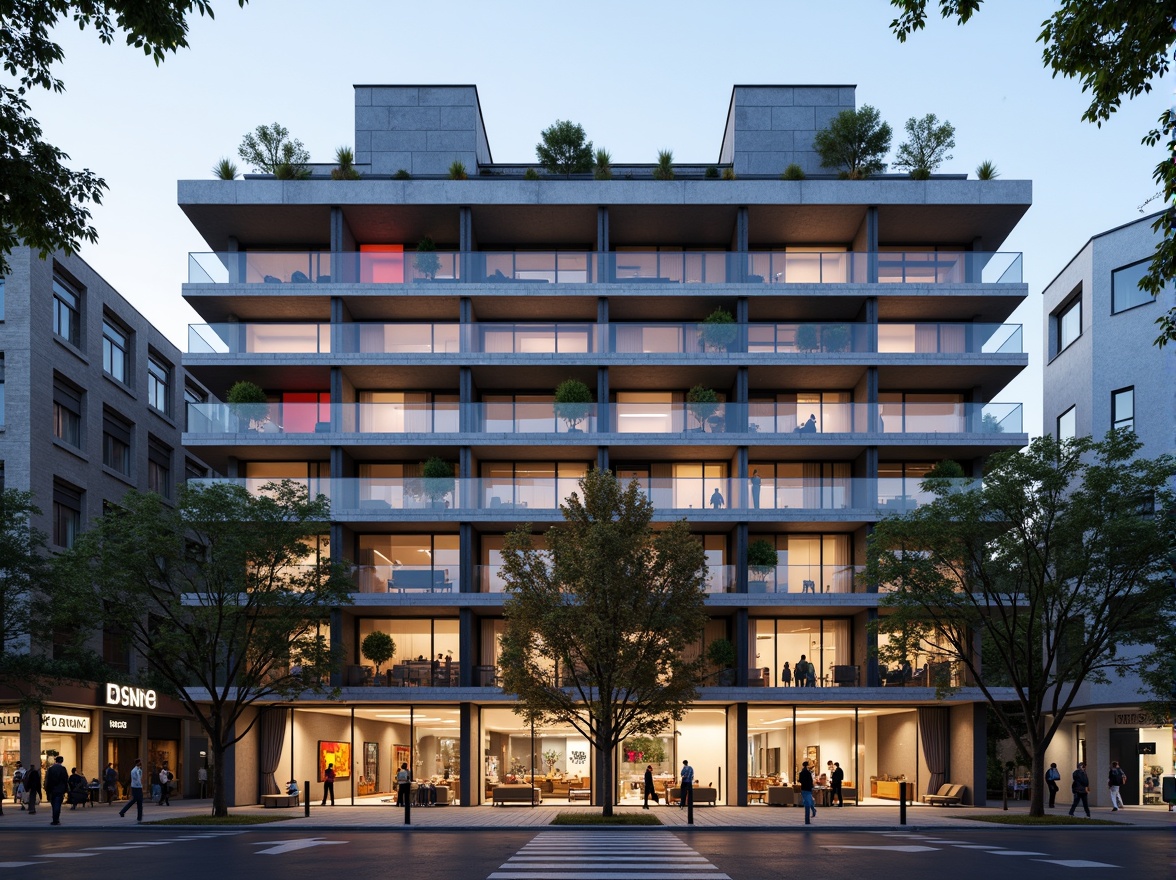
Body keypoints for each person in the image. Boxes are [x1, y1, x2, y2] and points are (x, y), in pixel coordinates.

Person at [45, 755, 69, 825]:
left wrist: (47, 789)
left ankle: (54, 818)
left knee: (53, 804)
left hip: (52, 789)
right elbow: (65, 779)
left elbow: (47, 780)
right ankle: (56, 819)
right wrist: (66, 789)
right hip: (60, 789)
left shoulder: (50, 769)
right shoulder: (63, 769)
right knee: (58, 804)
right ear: (62, 761)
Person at [119, 758, 144, 822]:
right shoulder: (134, 771)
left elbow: (140, 778)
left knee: (139, 802)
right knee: (135, 801)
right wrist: (140, 785)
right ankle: (123, 811)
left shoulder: (139, 770)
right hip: (136, 787)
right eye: (140, 762)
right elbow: (137, 779)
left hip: (138, 787)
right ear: (137, 763)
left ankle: (139, 817)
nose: (141, 763)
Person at [799, 760, 817, 824]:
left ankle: (807, 820)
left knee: (807, 802)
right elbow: (811, 781)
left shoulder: (801, 773)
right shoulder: (808, 773)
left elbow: (800, 780)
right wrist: (811, 787)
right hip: (808, 789)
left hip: (803, 788)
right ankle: (813, 812)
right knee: (809, 801)